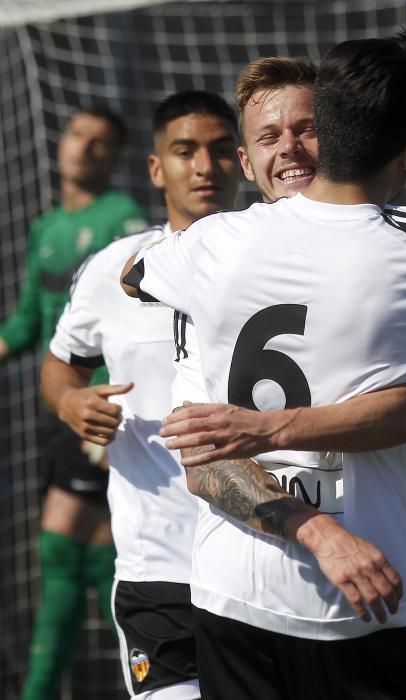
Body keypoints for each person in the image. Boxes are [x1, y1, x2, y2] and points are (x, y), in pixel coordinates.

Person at [122, 28, 406, 700]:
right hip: (335, 597)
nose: (290, 149)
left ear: (333, 133)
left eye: (305, 128)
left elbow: (137, 275)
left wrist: (267, 430)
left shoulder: (203, 251)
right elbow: (203, 451)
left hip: (397, 586)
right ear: (247, 161)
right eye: (269, 137)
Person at [40, 91, 242, 699]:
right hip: (158, 569)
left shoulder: (280, 261)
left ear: (242, 161)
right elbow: (58, 365)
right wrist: (72, 403)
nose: (203, 167)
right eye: (184, 151)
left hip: (262, 564)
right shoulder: (112, 268)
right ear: (157, 168)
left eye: (217, 151)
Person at [0, 105, 146, 700]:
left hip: (109, 412)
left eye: (101, 142)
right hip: (61, 408)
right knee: (74, 547)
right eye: (79, 135)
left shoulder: (125, 222)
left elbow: (139, 318)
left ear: (115, 157)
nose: (84, 148)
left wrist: (112, 410)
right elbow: (29, 322)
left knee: (82, 544)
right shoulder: (47, 228)